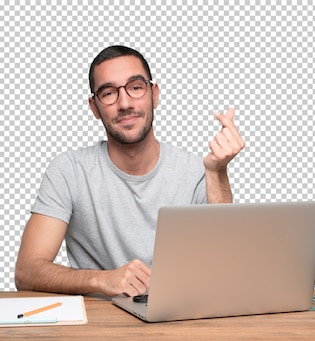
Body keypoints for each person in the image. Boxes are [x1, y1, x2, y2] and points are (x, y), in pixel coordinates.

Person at [14, 45, 245, 297]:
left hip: (178, 320)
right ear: (94, 107)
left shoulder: (196, 171)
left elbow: (226, 265)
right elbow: (27, 271)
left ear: (154, 94)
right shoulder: (69, 171)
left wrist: (217, 171)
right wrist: (102, 280)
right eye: (109, 93)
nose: (124, 103)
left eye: (135, 87)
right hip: (97, 325)